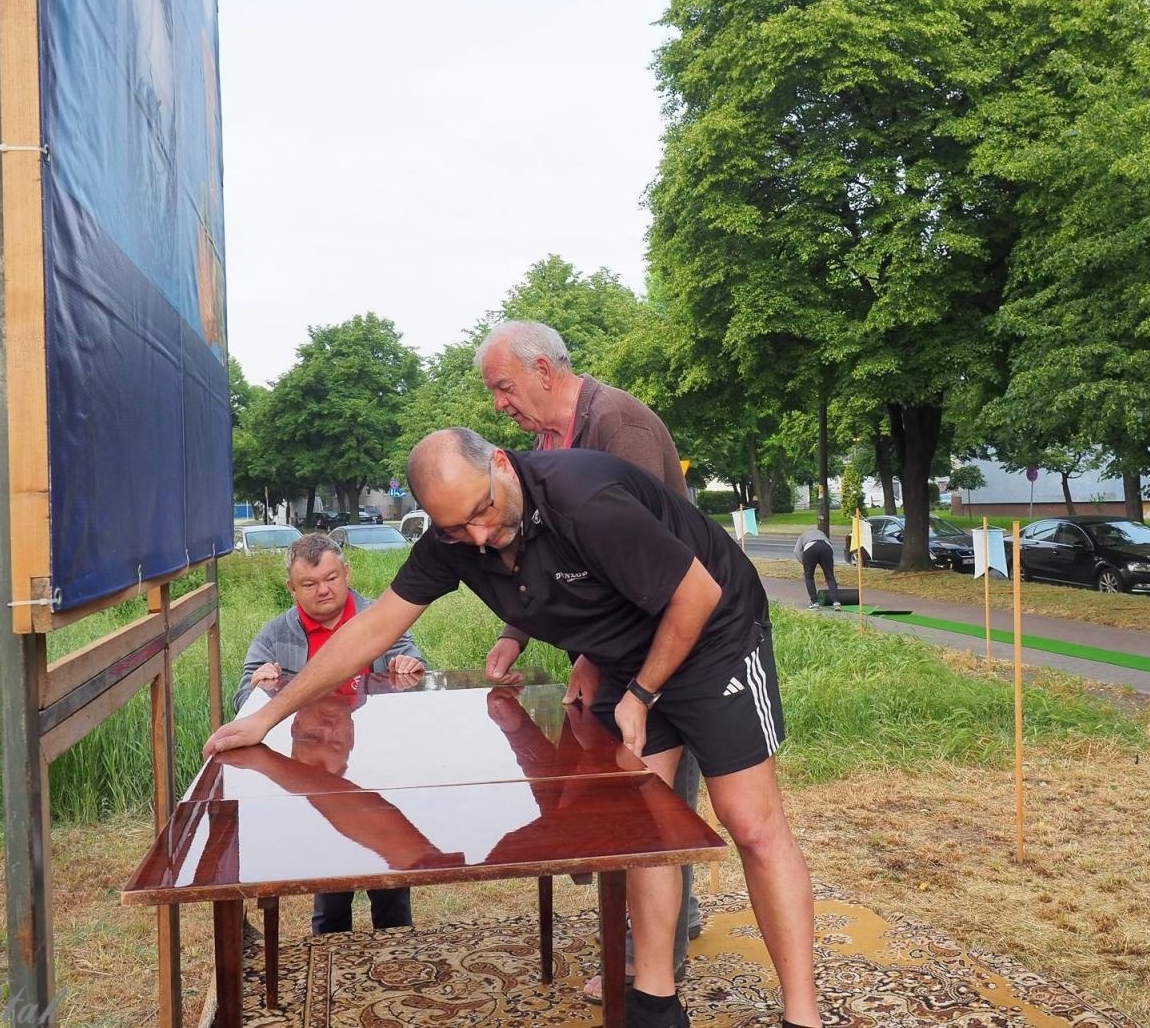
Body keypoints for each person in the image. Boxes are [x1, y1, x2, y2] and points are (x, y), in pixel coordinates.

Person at [205, 430, 821, 1028]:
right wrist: (267, 715)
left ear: (501, 463)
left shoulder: (584, 499)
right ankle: (653, 999)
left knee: (750, 821)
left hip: (716, 637)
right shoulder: (457, 537)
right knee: (643, 827)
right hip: (630, 656)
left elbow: (697, 594)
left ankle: (803, 1014)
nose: (477, 535)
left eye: (482, 512)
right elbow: (372, 629)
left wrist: (640, 693)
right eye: (454, 528)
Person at [475, 319, 702, 1002]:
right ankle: (668, 922)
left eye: (504, 387)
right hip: (617, 645)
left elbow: (631, 564)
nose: (498, 405)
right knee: (613, 796)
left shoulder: (618, 426)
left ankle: (648, 962)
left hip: (669, 642)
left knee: (645, 807)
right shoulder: (548, 443)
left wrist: (597, 661)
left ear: (545, 370)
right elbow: (550, 557)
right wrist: (517, 634)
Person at [234, 532, 428, 935]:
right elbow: (243, 699)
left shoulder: (380, 619)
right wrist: (259, 683)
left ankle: (399, 958)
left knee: (389, 874)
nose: (323, 589)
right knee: (330, 874)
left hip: (376, 765)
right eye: (309, 583)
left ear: (346, 573)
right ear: (291, 588)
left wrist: (410, 666)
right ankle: (328, 965)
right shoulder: (275, 635)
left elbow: (415, 663)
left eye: (331, 578)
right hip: (313, 769)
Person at [792, 526, 842, 610]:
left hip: (810, 547)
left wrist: (805, 563)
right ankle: (836, 603)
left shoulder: (803, 535)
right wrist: (828, 566)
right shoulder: (822, 534)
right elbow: (831, 547)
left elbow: (796, 551)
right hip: (826, 547)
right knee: (830, 577)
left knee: (809, 577)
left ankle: (814, 603)